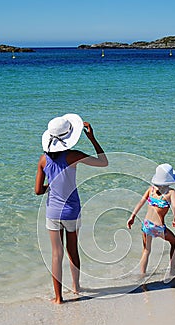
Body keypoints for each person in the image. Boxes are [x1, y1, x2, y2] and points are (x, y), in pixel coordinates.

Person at [35, 113, 108, 304]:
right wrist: (92, 138)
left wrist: (49, 187)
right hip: (71, 211)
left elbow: (37, 191)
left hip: (53, 212)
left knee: (56, 254)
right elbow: (103, 162)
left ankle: (58, 298)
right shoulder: (73, 156)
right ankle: (76, 287)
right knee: (72, 249)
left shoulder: (43, 160)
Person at [127, 163, 175, 279]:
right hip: (159, 227)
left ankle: (142, 275)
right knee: (174, 242)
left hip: (147, 225)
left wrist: (132, 216)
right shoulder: (171, 192)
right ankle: (173, 270)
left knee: (146, 250)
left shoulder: (151, 190)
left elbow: (140, 202)